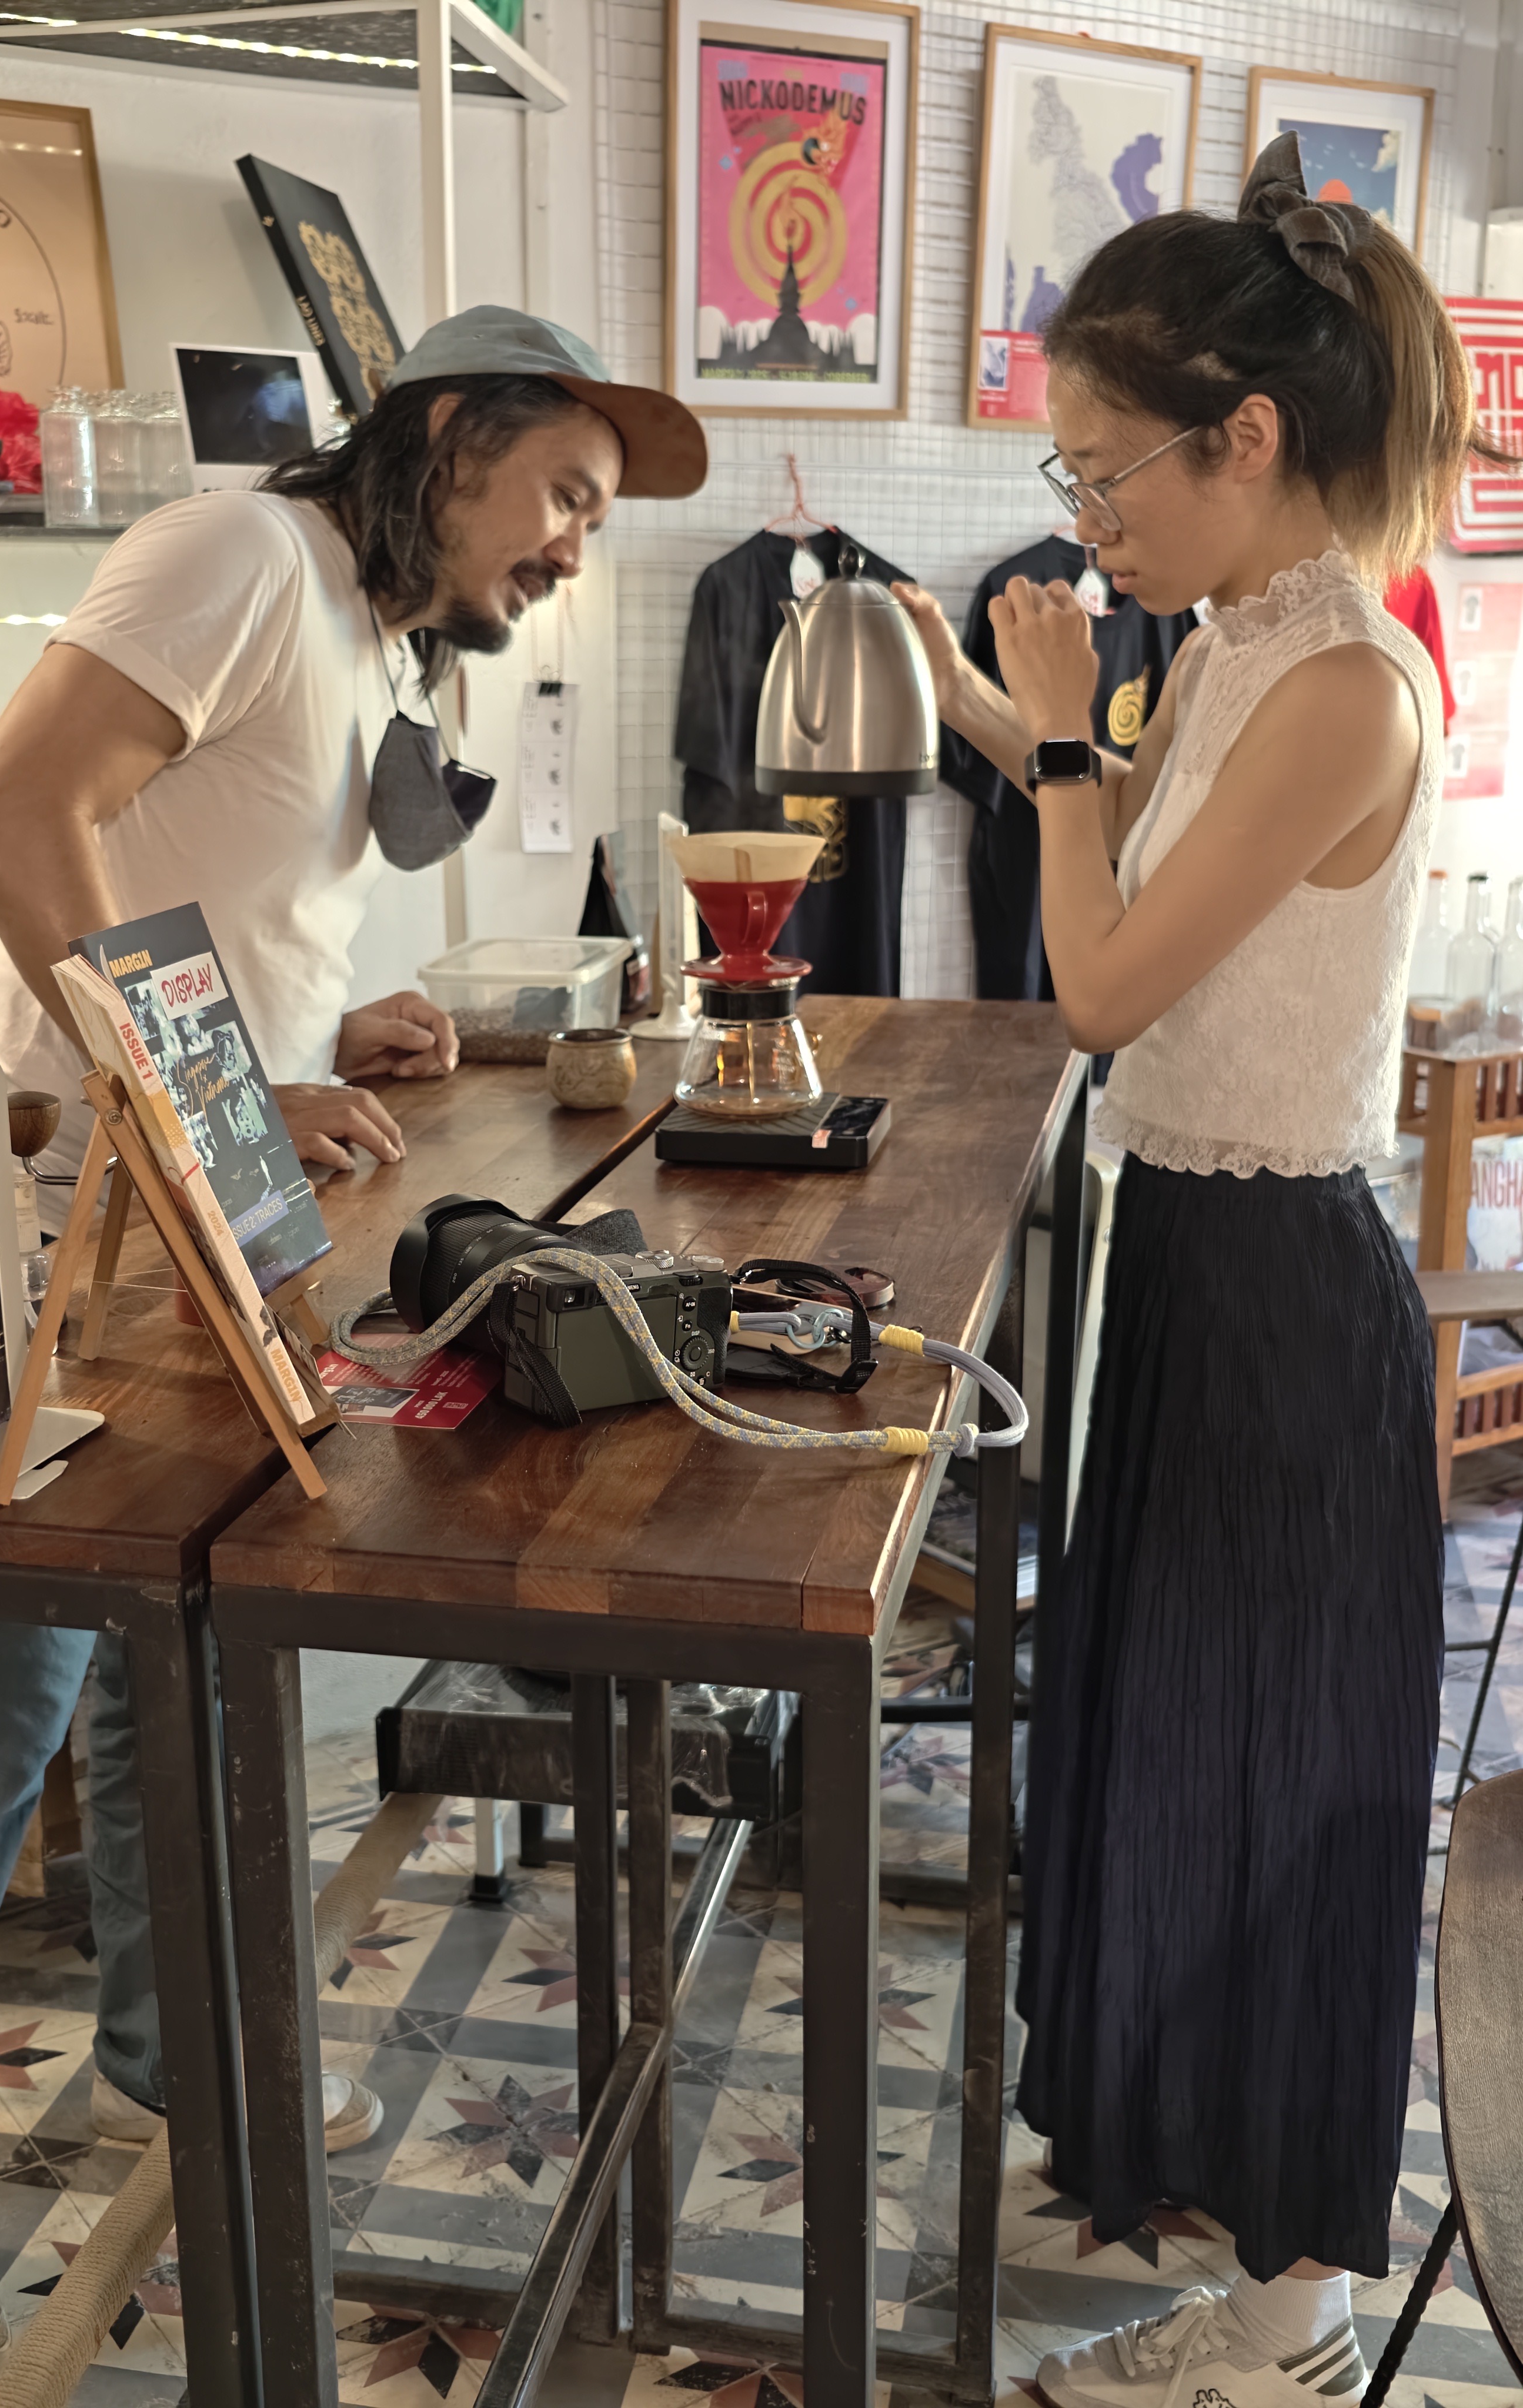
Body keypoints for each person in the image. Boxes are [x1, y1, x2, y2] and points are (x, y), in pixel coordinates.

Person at [0, 304, 706, 2388]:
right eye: (564, 492)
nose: (575, 543)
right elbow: (14, 817)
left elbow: (190, 879)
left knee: (174, 1669)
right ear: (448, 434)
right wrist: (208, 1087)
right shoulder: (236, 554)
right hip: (62, 1215)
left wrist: (305, 1027)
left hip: (187, 1210)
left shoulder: (361, 625)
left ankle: (175, 2054)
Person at [896, 135, 1495, 2408]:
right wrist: (989, 699)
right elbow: (1125, 859)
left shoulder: (1344, 679)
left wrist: (1061, 729)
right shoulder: (1242, 640)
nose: (1085, 517)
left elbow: (1105, 985)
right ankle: (1226, 2253)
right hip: (1191, 1258)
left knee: (1272, 1796)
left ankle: (1292, 2328)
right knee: (1177, 1756)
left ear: (1247, 435)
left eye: (1102, 470)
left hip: (1278, 1301)